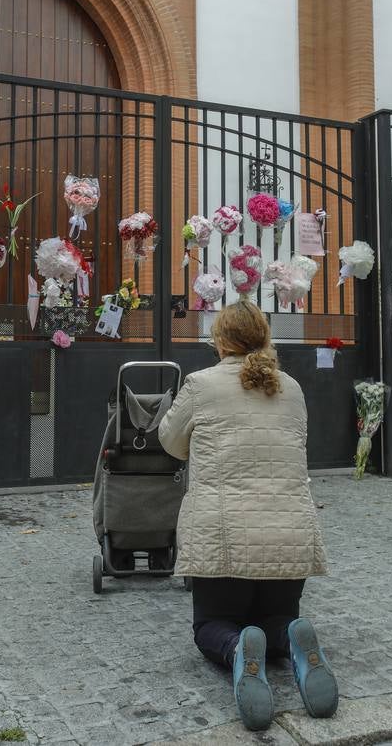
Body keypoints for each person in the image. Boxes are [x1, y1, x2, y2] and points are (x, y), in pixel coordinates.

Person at [158, 301, 338, 731]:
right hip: (288, 534)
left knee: (210, 626)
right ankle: (288, 638)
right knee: (277, 617)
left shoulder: (201, 385)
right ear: (265, 338)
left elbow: (168, 439)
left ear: (220, 341)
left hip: (225, 537)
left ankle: (238, 646)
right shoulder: (292, 388)